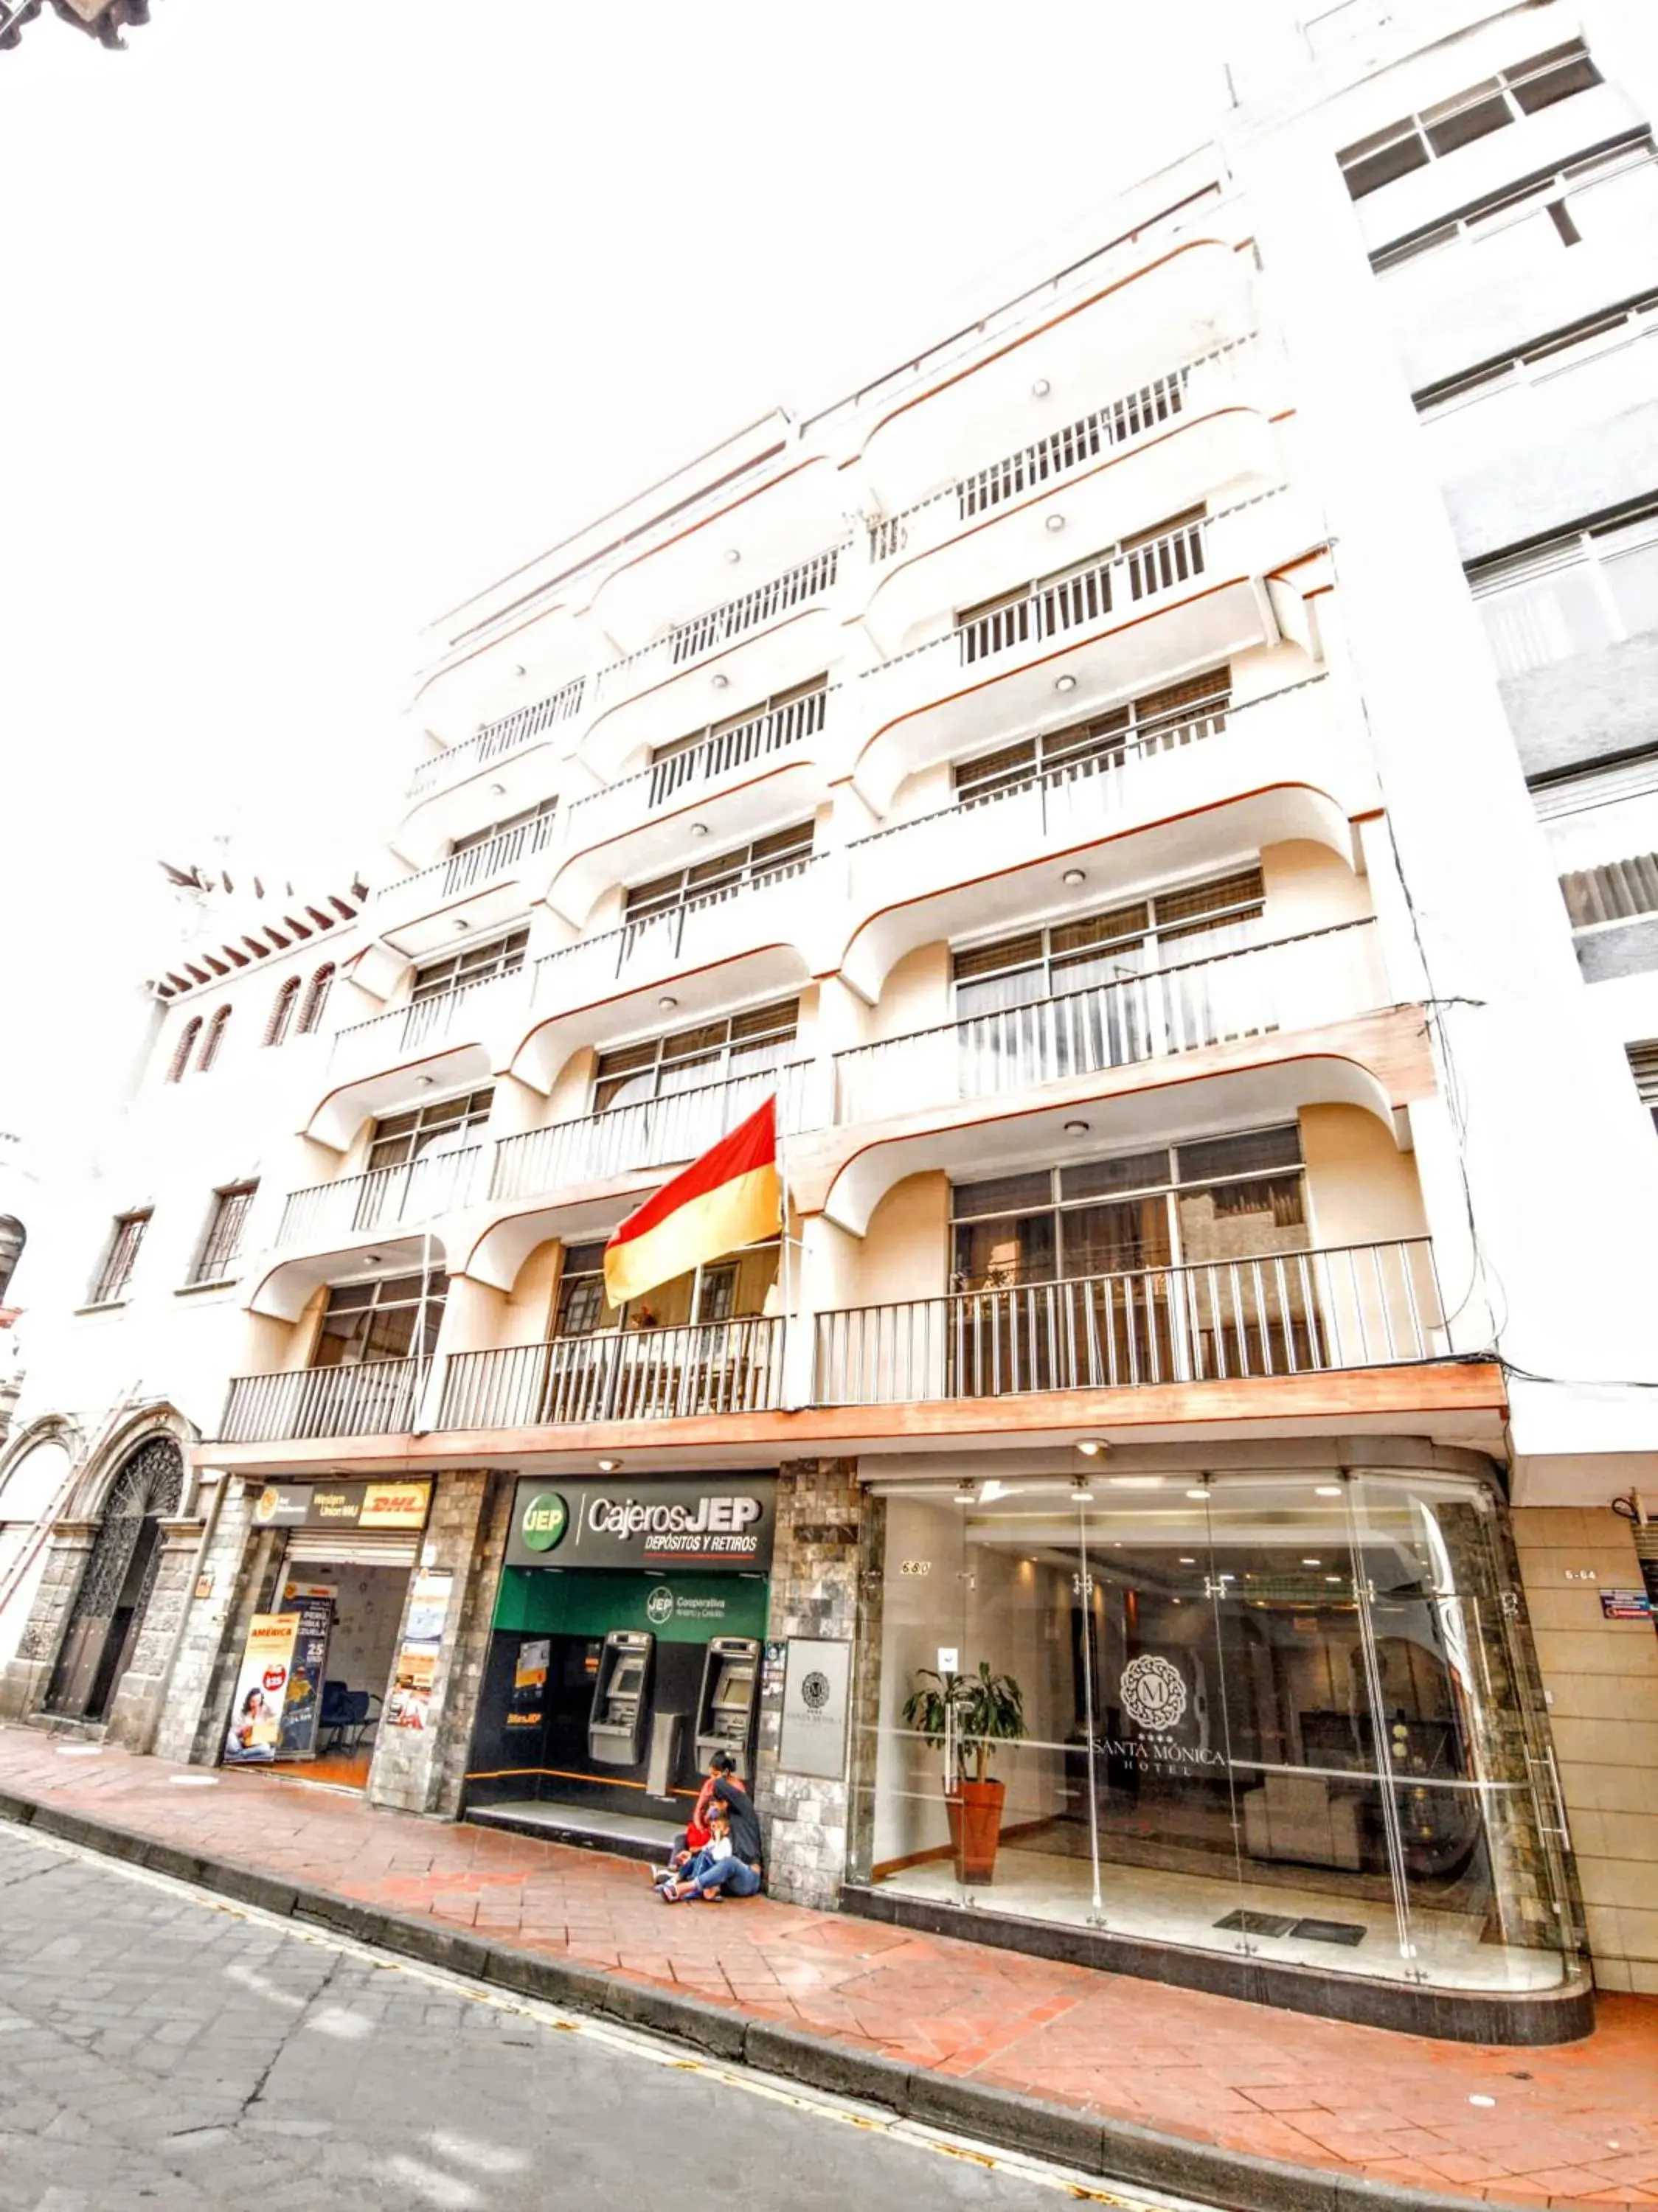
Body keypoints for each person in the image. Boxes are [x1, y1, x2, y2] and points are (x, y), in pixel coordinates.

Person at [663, 1757, 763, 1901]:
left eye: (716, 1803)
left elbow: (719, 1784)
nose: (714, 1807)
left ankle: (684, 1889)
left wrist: (719, 1778)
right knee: (702, 1857)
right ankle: (678, 1882)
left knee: (730, 1862)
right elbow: (714, 1849)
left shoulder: (744, 1809)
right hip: (726, 1879)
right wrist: (693, 1856)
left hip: (747, 1879)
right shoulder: (723, 1821)